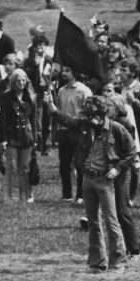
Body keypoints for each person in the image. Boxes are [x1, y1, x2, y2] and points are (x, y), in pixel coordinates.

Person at [47, 94, 135, 273]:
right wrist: (52, 109)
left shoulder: (116, 128)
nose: (91, 118)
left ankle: (118, 261)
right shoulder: (84, 126)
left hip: (105, 179)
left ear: (102, 113)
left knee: (111, 220)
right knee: (93, 222)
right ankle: (97, 261)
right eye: (88, 114)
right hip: (88, 178)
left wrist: (118, 168)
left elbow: (131, 151)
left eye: (94, 114)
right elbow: (69, 121)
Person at [0, 68, 37, 203]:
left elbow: (34, 119)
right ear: (13, 82)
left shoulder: (30, 97)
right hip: (12, 135)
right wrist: (3, 139)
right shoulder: (6, 97)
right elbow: (2, 119)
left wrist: (36, 139)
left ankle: (26, 194)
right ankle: (9, 196)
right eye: (18, 81)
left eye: (23, 80)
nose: (21, 83)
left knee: (25, 167)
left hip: (26, 135)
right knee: (12, 166)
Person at [55, 65, 92, 202]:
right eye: (63, 71)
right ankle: (67, 194)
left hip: (78, 130)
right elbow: (59, 110)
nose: (63, 73)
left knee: (79, 163)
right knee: (64, 164)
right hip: (64, 131)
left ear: (74, 73)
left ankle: (81, 194)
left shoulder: (84, 91)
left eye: (67, 71)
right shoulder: (61, 91)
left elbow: (89, 111)